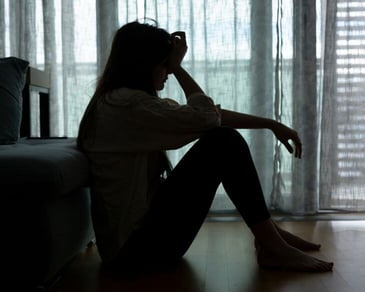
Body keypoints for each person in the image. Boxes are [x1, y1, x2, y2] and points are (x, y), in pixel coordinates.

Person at [77, 20, 333, 273]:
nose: (166, 71)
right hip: (134, 252)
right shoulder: (127, 106)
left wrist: (270, 124)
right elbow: (207, 117)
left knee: (222, 140)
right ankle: (271, 244)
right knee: (223, 142)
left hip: (134, 245)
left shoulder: (122, 103)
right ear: (145, 64)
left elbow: (210, 116)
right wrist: (179, 69)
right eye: (164, 64)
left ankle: (271, 236)